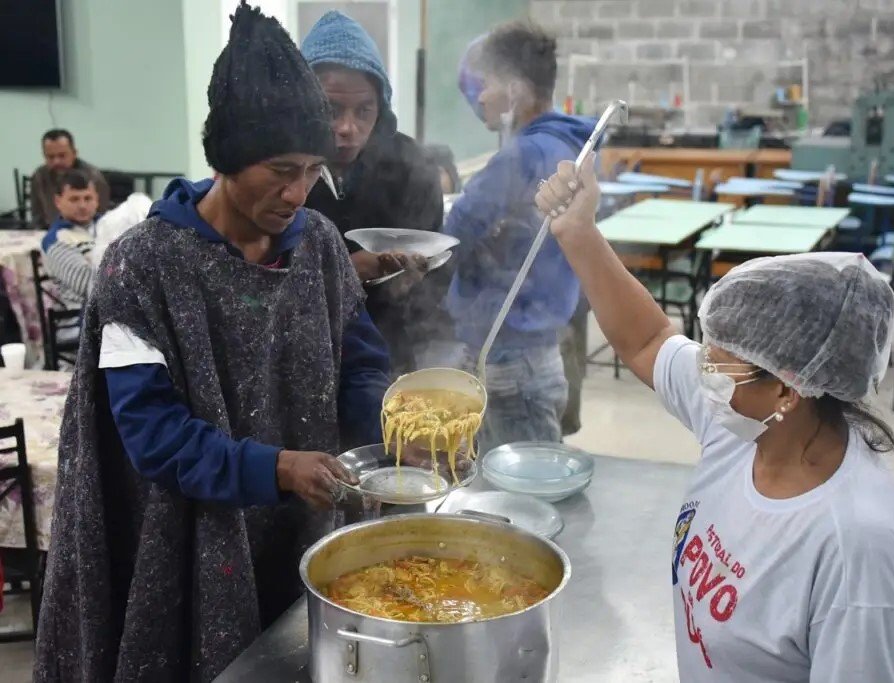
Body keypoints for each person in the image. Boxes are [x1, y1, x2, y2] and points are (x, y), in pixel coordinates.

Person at [34, 4, 389, 680]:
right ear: (226, 157)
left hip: (302, 526)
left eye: (314, 169)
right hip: (192, 544)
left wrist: (389, 431)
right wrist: (276, 467)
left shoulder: (316, 244)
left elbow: (359, 356)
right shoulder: (143, 265)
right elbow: (152, 432)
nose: (298, 190)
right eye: (280, 168)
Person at [535, 157, 894, 681]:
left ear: (788, 389)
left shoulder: (858, 552)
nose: (704, 371)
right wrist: (578, 233)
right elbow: (647, 340)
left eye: (720, 361)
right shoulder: (747, 425)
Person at [444, 22, 595, 452]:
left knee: (519, 496)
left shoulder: (521, 155)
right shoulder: (568, 146)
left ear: (513, 90)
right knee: (528, 483)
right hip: (541, 350)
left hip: (509, 357)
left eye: (486, 84)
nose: (481, 97)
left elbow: (456, 232)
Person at [300, 11, 449, 374]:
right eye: (330, 109)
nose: (347, 128)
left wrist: (408, 287)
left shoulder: (412, 168)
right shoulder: (280, 174)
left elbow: (437, 270)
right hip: (302, 359)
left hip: (389, 359)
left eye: (364, 110)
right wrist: (349, 273)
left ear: (381, 107)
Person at [40, 169, 101, 304]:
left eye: (88, 198)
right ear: (58, 201)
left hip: (116, 312)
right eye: (74, 199)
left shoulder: (110, 225)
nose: (82, 206)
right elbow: (89, 286)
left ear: (96, 199)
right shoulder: (56, 240)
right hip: (79, 318)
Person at [29, 128, 110, 230]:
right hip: (50, 233)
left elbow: (102, 217)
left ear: (74, 153)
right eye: (50, 157)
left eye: (62, 156)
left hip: (87, 233)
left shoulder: (93, 177)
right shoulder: (39, 176)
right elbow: (37, 216)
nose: (56, 161)